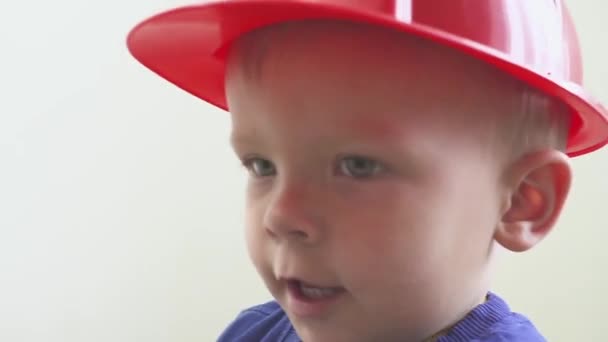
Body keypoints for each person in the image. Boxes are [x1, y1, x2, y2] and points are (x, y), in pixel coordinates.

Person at [126, 1, 608, 341]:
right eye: (262, 166)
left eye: (357, 167)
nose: (281, 215)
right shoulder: (253, 333)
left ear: (523, 199)